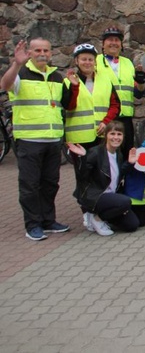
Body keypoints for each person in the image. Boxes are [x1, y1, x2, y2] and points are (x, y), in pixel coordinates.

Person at [1, 39, 74, 241]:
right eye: (38, 50)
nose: (42, 53)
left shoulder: (56, 77)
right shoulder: (21, 74)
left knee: (50, 183)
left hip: (52, 139)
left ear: (51, 53)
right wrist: (16, 63)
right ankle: (32, 225)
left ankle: (48, 221)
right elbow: (5, 84)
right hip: (29, 139)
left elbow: (64, 104)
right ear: (30, 53)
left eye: (46, 50)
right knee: (30, 185)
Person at [72, 121, 139, 235]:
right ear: (106, 135)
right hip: (96, 196)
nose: (116, 137)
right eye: (112, 134)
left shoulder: (118, 154)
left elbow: (118, 173)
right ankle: (96, 217)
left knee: (132, 224)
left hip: (110, 196)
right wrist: (82, 158)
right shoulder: (96, 152)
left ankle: (102, 216)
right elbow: (82, 176)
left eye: (119, 134)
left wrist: (130, 163)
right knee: (125, 202)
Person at [64, 44, 120, 151]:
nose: (87, 62)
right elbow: (69, 106)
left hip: (101, 136)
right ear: (76, 61)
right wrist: (74, 87)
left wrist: (106, 122)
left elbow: (115, 106)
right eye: (83, 59)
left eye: (90, 59)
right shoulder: (67, 82)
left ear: (95, 61)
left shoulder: (106, 81)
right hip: (78, 138)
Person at [96, 27, 137, 151]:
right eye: (110, 40)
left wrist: (140, 83)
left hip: (125, 116)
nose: (114, 43)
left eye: (117, 40)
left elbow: (136, 90)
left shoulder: (128, 63)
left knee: (126, 154)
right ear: (103, 44)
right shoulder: (95, 61)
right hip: (106, 117)